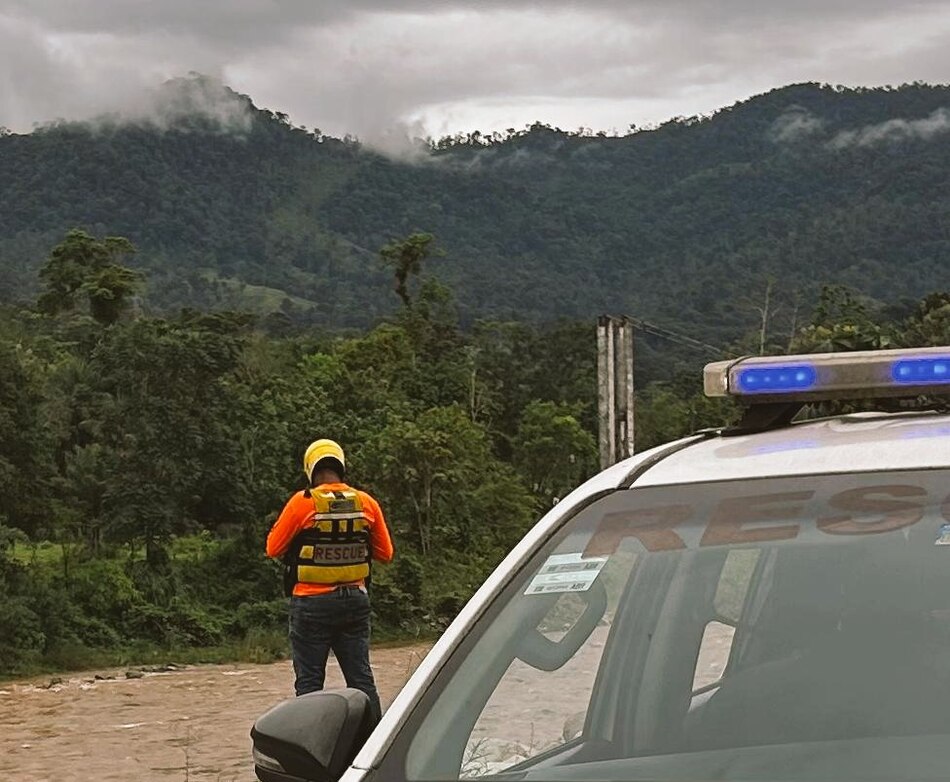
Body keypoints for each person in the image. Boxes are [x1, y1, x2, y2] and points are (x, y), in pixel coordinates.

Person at [266, 438, 393, 722]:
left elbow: (273, 548)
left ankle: (310, 753)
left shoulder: (303, 503)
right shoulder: (366, 503)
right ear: (341, 466)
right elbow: (386, 553)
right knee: (361, 680)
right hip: (355, 602)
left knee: (310, 684)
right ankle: (376, 745)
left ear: (311, 469)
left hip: (311, 605)